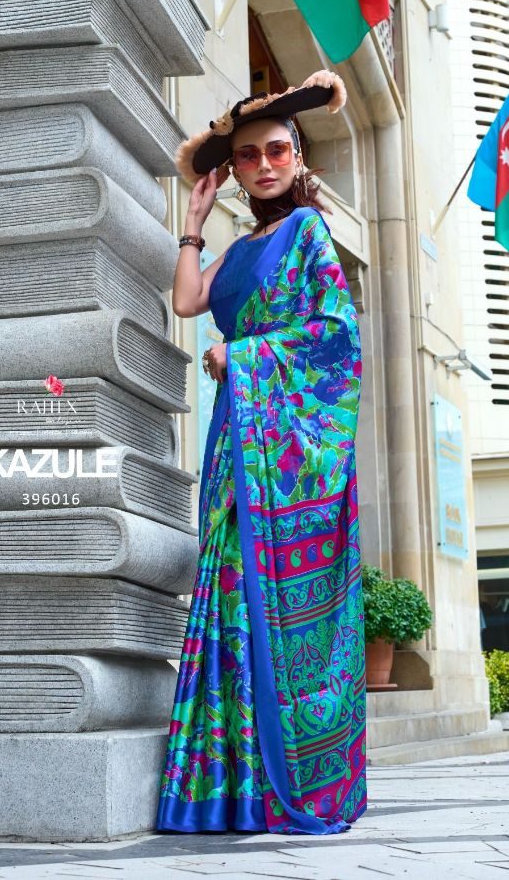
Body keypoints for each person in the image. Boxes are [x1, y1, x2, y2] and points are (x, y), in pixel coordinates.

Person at [155, 69, 367, 835]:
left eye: (277, 150)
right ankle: (230, 787)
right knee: (225, 586)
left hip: (281, 450)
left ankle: (278, 784)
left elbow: (336, 338)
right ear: (236, 171)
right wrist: (193, 220)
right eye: (248, 156)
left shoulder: (307, 232)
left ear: (297, 154)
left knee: (256, 592)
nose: (265, 164)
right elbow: (188, 300)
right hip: (235, 444)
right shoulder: (243, 247)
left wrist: (240, 358)